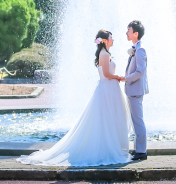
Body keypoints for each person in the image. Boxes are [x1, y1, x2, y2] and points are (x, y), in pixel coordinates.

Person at [18, 29, 132, 166]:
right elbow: (107, 74)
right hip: (107, 89)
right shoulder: (104, 54)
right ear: (105, 40)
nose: (113, 39)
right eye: (111, 37)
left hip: (108, 89)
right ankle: (107, 148)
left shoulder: (105, 53)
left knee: (107, 118)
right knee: (106, 118)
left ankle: (109, 145)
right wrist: (119, 77)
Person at [124, 20, 148, 160]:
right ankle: (138, 149)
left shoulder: (140, 49)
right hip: (133, 90)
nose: (126, 33)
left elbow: (140, 72)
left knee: (138, 121)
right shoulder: (136, 48)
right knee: (135, 121)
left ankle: (142, 152)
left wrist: (126, 78)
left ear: (136, 33)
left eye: (129, 31)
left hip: (135, 90)